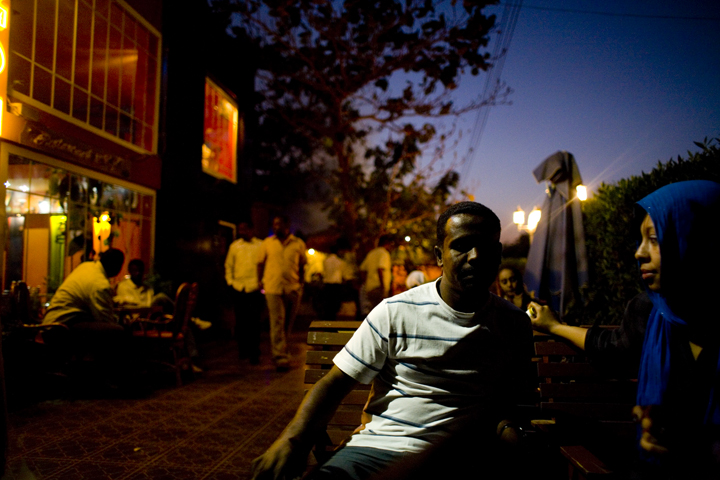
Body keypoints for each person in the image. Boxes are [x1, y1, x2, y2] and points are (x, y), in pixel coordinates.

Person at [251, 201, 534, 480]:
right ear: (439, 255)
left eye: (485, 246)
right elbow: (335, 383)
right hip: (379, 449)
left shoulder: (513, 323)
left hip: (461, 458)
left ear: (498, 254)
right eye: (461, 246)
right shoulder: (396, 311)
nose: (475, 256)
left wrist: (509, 431)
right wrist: (293, 440)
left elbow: (512, 402)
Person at [529, 180, 720, 478]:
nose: (638, 253)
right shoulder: (649, 312)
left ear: (697, 239)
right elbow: (609, 346)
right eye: (640, 240)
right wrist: (554, 326)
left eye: (654, 239)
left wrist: (692, 450)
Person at [257, 215, 307, 371]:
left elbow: (302, 265)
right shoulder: (267, 243)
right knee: (277, 322)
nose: (275, 226)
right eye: (274, 224)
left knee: (287, 324)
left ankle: (282, 351)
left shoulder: (298, 243)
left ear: (287, 224)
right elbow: (260, 263)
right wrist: (260, 281)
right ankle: (280, 356)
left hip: (292, 288)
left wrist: (301, 285)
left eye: (278, 223)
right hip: (273, 288)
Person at [225, 221, 264, 364]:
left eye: (244, 229)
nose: (241, 232)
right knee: (241, 322)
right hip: (239, 288)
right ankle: (243, 350)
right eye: (240, 229)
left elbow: (264, 265)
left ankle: (254, 352)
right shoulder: (234, 246)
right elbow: (229, 265)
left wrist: (261, 283)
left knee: (254, 322)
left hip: (254, 288)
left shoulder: (260, 245)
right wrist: (230, 282)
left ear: (251, 229)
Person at [320, 239, 356, 320]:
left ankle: (327, 321)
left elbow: (324, 272)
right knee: (335, 304)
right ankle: (332, 321)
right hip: (336, 286)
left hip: (327, 285)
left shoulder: (325, 261)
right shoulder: (340, 262)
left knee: (327, 305)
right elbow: (344, 275)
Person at [359, 235, 393, 315]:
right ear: (387, 243)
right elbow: (380, 269)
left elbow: (362, 269)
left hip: (370, 287)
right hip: (379, 287)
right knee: (381, 312)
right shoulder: (384, 253)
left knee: (373, 310)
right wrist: (383, 286)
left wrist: (365, 282)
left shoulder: (371, 253)